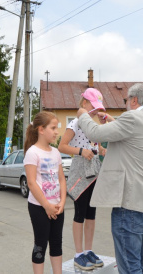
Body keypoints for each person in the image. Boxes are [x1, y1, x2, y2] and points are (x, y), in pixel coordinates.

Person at [77, 83, 143, 274]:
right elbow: (132, 137)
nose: (125, 103)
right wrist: (113, 120)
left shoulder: (132, 118)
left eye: (126, 100)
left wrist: (83, 114)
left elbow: (94, 133)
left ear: (134, 100)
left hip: (130, 205)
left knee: (129, 267)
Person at [58, 88, 106, 271]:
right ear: (84, 103)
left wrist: (101, 149)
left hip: (93, 169)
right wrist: (80, 151)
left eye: (97, 108)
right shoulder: (75, 124)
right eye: (92, 106)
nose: (94, 111)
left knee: (91, 213)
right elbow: (62, 146)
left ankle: (88, 250)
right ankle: (78, 254)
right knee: (80, 212)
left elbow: (98, 145)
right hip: (79, 169)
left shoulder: (93, 126)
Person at [23, 111, 67, 274]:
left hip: (57, 207)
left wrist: (62, 203)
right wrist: (46, 205)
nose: (56, 132)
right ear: (41, 129)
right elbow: (32, 183)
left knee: (57, 243)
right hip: (39, 207)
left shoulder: (55, 152)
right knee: (41, 244)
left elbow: (62, 179)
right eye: (53, 128)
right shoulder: (32, 153)